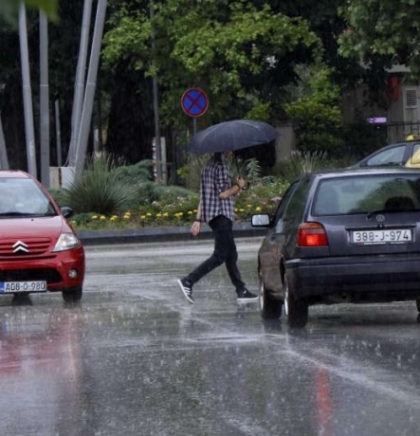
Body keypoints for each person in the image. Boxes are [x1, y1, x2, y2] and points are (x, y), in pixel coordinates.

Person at [176, 150, 258, 304]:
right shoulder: (220, 166)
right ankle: (188, 281)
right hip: (222, 216)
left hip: (213, 217)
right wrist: (239, 185)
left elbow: (205, 196)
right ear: (225, 149)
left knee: (231, 255)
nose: (232, 151)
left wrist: (198, 219)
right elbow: (223, 194)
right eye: (230, 149)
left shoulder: (207, 166)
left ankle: (241, 290)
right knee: (220, 256)